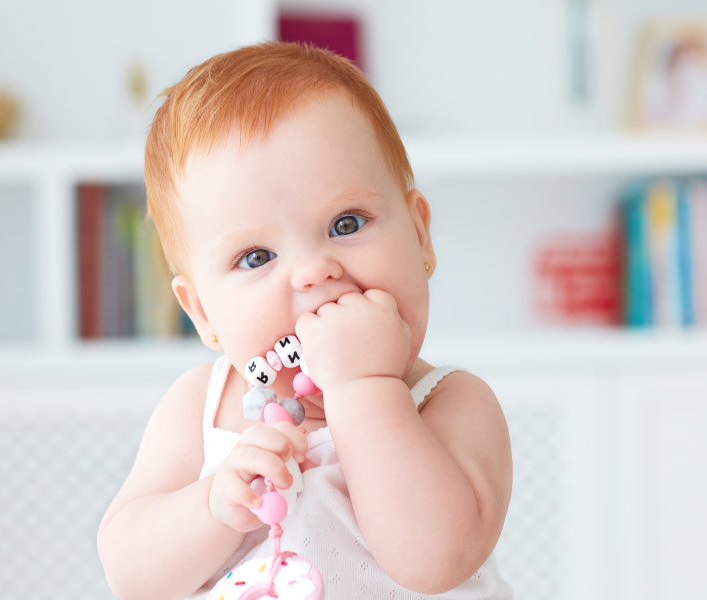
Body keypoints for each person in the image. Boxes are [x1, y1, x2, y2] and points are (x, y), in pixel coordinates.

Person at [97, 42, 513, 599]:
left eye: (346, 223)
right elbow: (129, 574)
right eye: (256, 257)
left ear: (419, 237)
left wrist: (364, 387)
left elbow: (436, 560)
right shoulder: (201, 405)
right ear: (201, 312)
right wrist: (214, 508)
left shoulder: (449, 402)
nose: (314, 271)